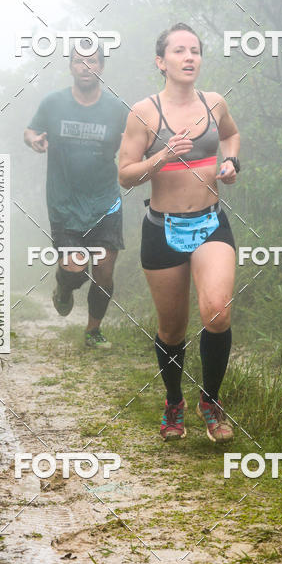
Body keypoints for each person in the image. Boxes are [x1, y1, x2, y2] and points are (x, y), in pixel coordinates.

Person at [118, 23, 241, 441]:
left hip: (211, 223)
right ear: (161, 62)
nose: (190, 57)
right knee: (172, 329)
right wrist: (162, 156)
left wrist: (231, 164)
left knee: (217, 312)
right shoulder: (144, 113)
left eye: (195, 50)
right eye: (179, 51)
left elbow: (231, 136)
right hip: (162, 228)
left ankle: (210, 400)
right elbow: (125, 175)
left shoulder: (216, 103)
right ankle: (174, 401)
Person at [24, 42, 126, 348]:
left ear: (101, 67)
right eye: (79, 62)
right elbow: (30, 131)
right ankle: (63, 287)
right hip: (64, 203)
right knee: (75, 267)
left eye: (92, 61)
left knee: (104, 271)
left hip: (105, 201)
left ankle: (92, 331)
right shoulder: (53, 103)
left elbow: (136, 138)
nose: (86, 67)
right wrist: (34, 140)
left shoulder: (116, 108)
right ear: (71, 67)